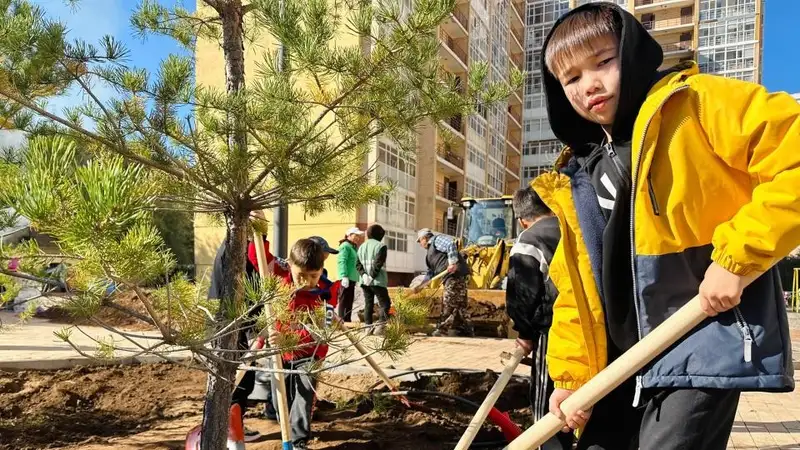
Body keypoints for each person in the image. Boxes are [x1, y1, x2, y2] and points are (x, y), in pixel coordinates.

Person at [535, 3, 799, 449]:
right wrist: (571, 376)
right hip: (619, 363)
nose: (590, 85)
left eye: (604, 61)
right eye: (571, 78)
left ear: (633, 52)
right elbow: (577, 293)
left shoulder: (694, 105)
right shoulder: (580, 173)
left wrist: (737, 258)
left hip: (700, 337)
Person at [506, 187, 572, 450]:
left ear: (523, 219)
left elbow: (523, 292)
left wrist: (524, 333)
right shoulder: (571, 228)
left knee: (549, 408)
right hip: (589, 328)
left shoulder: (529, 239)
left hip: (554, 333)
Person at [268, 239, 336, 450]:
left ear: (322, 269)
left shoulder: (327, 292)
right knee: (282, 399)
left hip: (311, 354)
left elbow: (321, 333)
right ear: (290, 265)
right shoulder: (280, 280)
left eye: (313, 276)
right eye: (301, 275)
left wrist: (290, 338)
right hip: (280, 354)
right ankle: (285, 428)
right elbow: (259, 257)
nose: (307, 282)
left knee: (304, 396)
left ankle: (298, 441)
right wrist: (259, 232)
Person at [412, 228, 474, 337]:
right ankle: (466, 329)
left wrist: (452, 262)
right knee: (459, 304)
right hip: (450, 277)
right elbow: (431, 273)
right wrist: (421, 285)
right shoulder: (429, 256)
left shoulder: (436, 240)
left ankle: (443, 329)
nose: (420, 244)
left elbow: (451, 245)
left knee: (449, 301)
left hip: (454, 275)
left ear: (425, 238)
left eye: (420, 241)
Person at [356, 224, 391, 334]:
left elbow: (357, 264)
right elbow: (378, 263)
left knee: (368, 304)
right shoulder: (381, 246)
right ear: (380, 235)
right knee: (385, 303)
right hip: (377, 280)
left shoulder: (361, 246)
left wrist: (364, 275)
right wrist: (371, 276)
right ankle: (380, 327)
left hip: (364, 281)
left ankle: (367, 328)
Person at [336, 227, 365, 322]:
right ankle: (342, 322)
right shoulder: (345, 246)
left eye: (358, 236)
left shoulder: (353, 247)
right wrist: (344, 276)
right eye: (355, 235)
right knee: (344, 301)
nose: (358, 238)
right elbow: (341, 261)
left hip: (352, 278)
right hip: (346, 278)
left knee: (349, 301)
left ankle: (347, 321)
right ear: (349, 235)